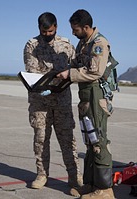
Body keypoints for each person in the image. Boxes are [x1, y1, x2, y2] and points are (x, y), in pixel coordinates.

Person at [57, 9, 115, 199]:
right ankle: (91, 184)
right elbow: (75, 65)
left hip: (95, 95)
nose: (73, 32)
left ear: (86, 27)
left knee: (99, 141)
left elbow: (95, 72)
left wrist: (70, 74)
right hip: (85, 95)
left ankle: (105, 189)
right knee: (90, 140)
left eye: (75, 29)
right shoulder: (83, 43)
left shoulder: (99, 44)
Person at [23, 12, 83, 194]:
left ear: (56, 27)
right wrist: (56, 75)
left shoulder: (66, 45)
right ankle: (42, 174)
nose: (47, 34)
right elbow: (32, 71)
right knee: (41, 139)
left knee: (67, 140)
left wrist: (66, 76)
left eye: (50, 31)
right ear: (38, 28)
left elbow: (75, 67)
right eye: (43, 31)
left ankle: (74, 179)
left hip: (62, 100)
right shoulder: (31, 46)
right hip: (40, 102)